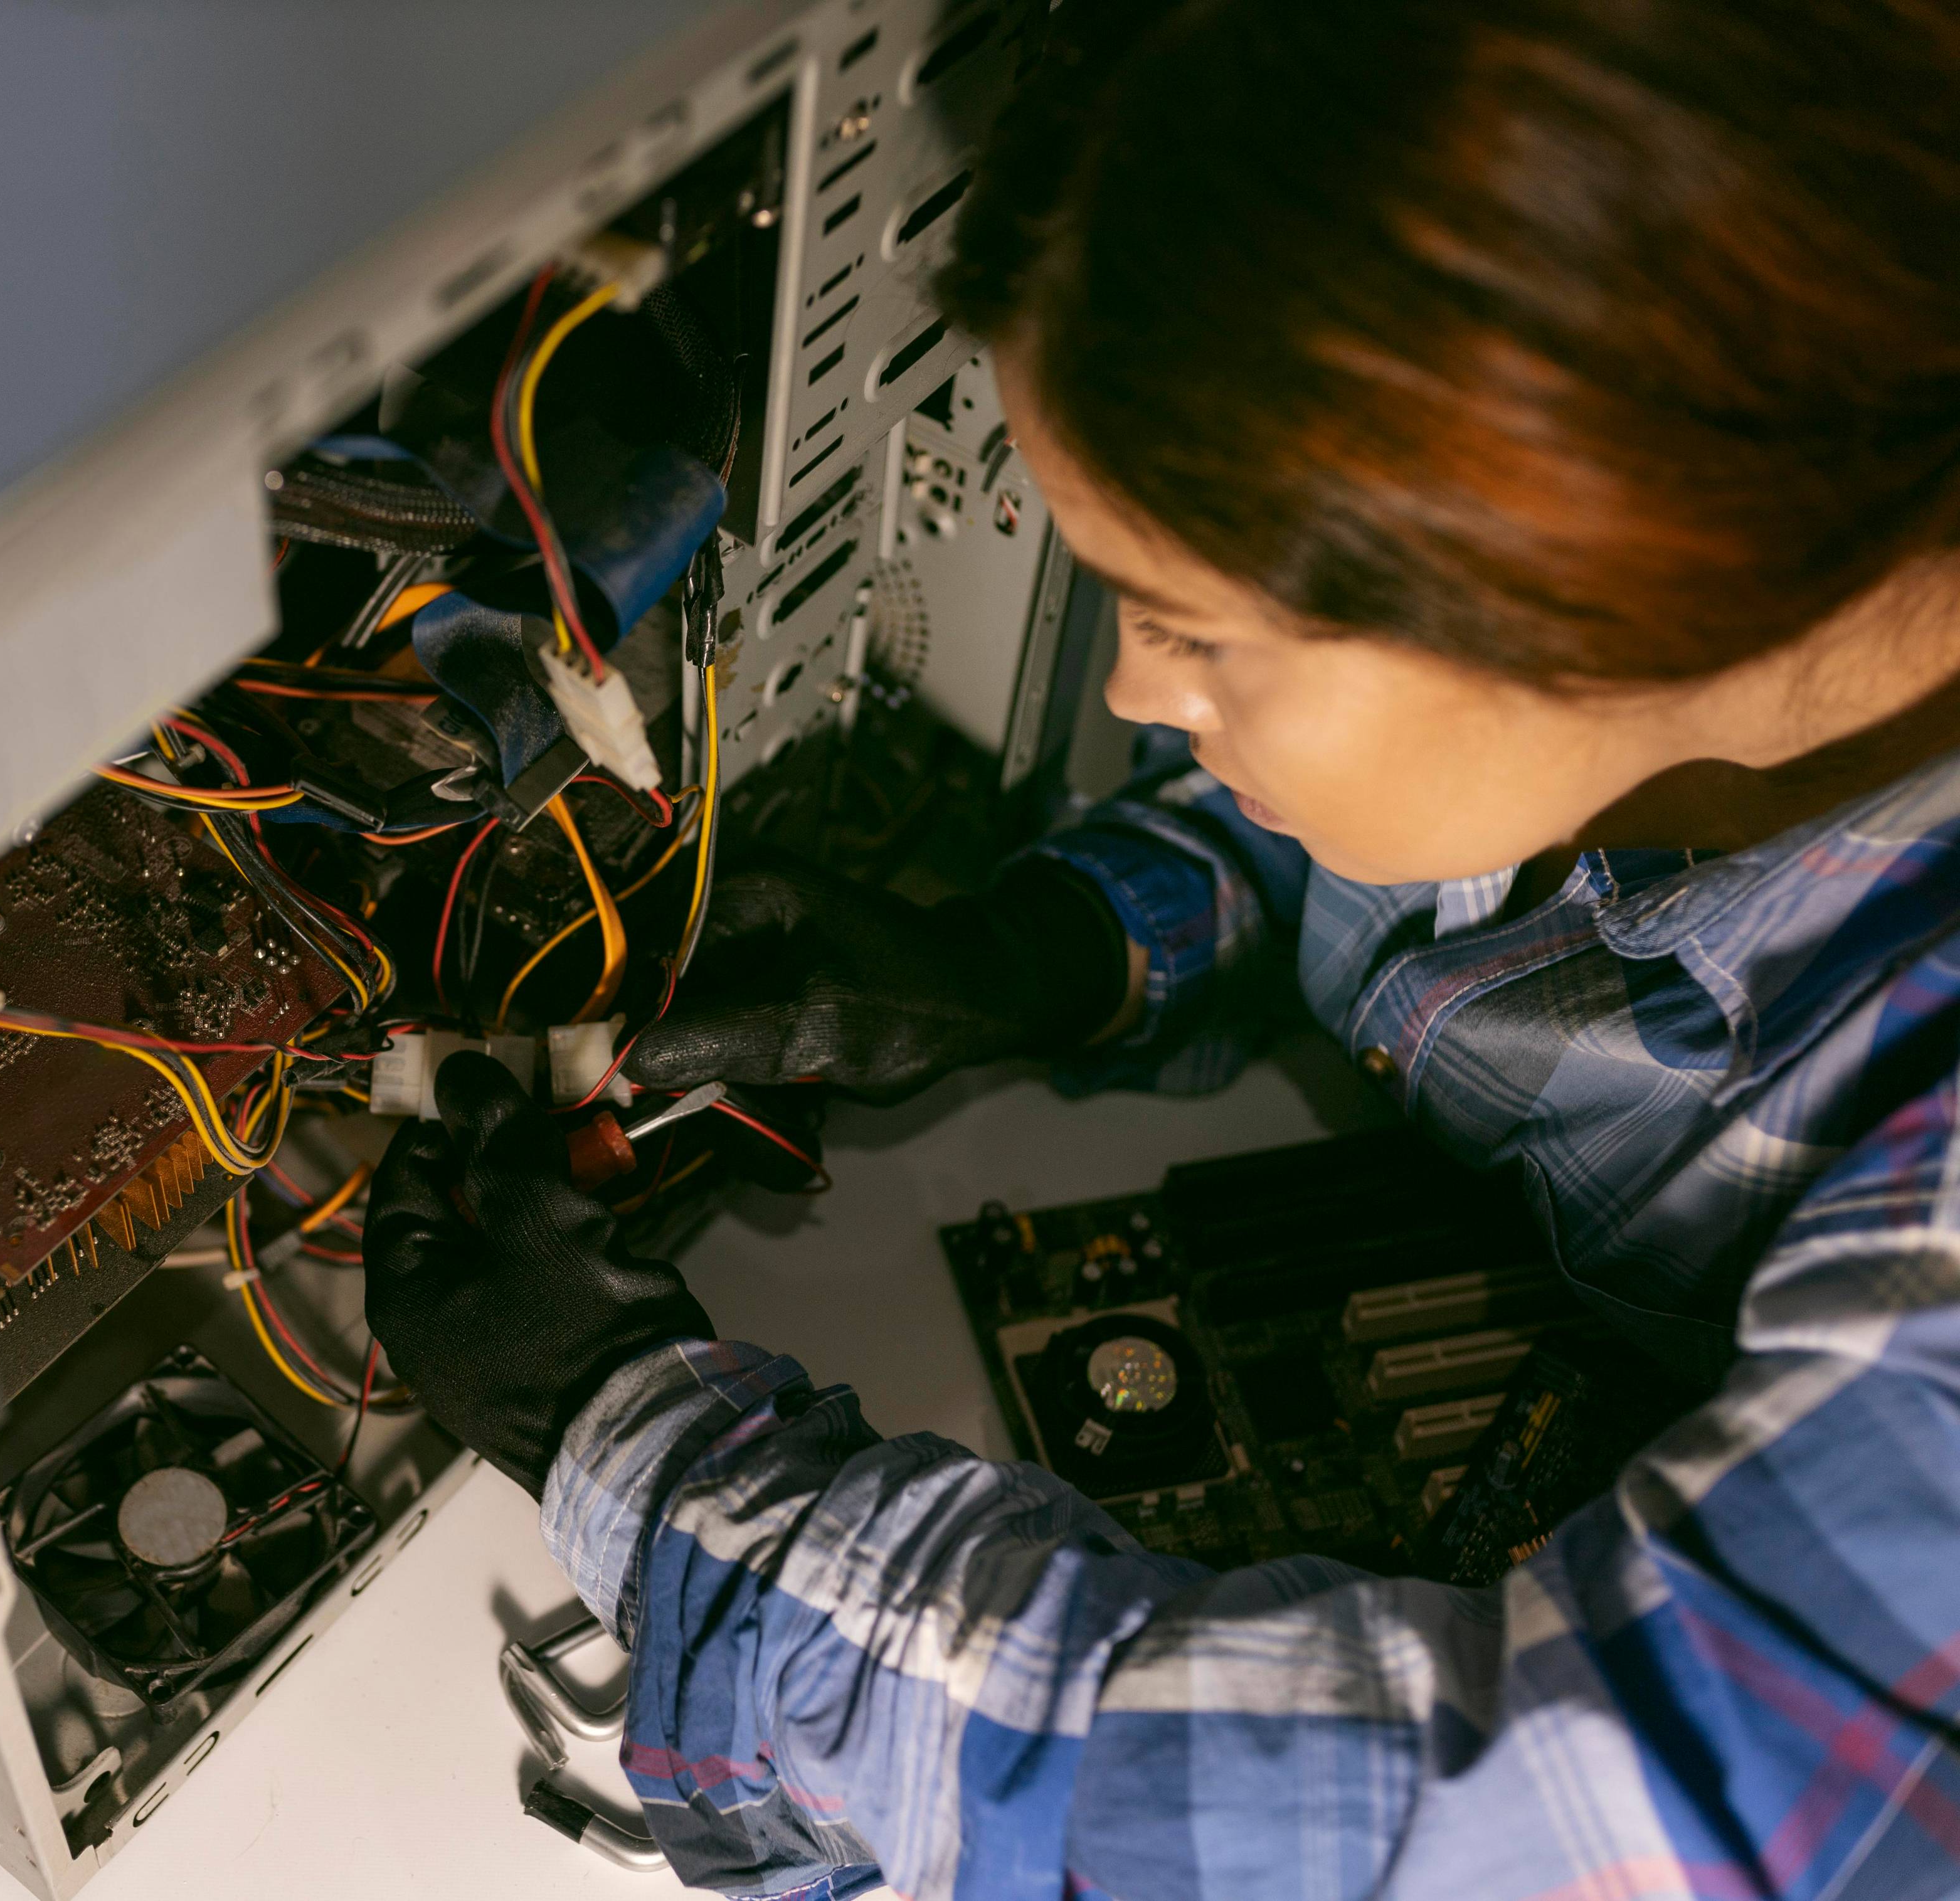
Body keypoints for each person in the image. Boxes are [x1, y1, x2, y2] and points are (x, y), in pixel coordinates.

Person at [366, 1, 1960, 1893]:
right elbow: (1429, 837)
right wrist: (1038, 955)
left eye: (1191, 627)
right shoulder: (1725, 664)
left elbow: (1564, 1833)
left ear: (1609, 576)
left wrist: (639, 1453)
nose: (1126, 685)